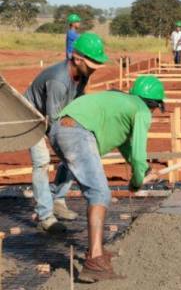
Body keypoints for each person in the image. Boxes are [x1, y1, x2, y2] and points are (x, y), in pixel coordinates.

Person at [49, 76, 165, 281]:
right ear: (154, 104)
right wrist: (136, 182)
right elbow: (138, 153)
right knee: (100, 193)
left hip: (59, 128)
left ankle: (96, 251)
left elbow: (126, 146)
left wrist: (144, 171)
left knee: (97, 191)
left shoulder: (120, 102)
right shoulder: (141, 110)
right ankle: (95, 261)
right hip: (77, 132)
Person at [24, 32, 108, 232]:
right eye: (91, 64)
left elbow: (76, 103)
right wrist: (65, 146)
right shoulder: (59, 80)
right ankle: (45, 216)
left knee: (74, 151)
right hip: (32, 116)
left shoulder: (83, 75)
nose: (93, 69)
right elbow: (53, 122)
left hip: (54, 114)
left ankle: (58, 200)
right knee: (42, 161)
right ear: (77, 59)